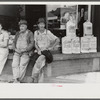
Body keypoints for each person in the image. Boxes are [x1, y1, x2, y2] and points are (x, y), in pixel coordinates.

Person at [30, 18, 60, 83]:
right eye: (40, 24)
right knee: (41, 65)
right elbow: (35, 43)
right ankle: (39, 81)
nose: (41, 26)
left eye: (43, 24)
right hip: (38, 51)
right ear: (38, 25)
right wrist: (38, 50)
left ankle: (33, 77)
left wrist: (51, 47)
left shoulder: (47, 32)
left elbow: (57, 40)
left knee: (39, 61)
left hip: (45, 52)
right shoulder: (36, 32)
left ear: (44, 25)